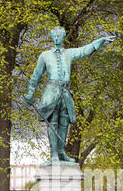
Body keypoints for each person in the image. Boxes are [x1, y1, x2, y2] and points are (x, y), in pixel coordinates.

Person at [24, 26, 115, 162]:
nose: (56, 38)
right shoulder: (45, 55)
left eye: (59, 36)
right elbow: (36, 75)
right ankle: (54, 153)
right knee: (52, 122)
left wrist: (100, 41)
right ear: (52, 37)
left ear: (63, 37)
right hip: (52, 92)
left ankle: (61, 152)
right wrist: (30, 93)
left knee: (64, 123)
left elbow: (84, 50)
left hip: (66, 92)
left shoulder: (69, 53)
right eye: (54, 36)